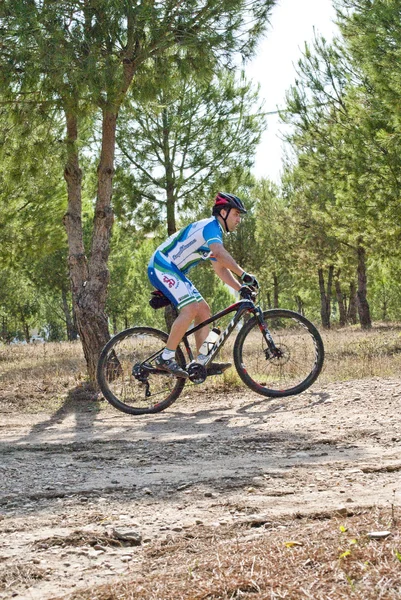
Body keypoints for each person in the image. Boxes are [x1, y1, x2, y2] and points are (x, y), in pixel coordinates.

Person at [147, 192, 258, 377]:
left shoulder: (215, 234)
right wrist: (244, 274)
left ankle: (202, 361)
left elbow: (220, 268)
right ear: (223, 212)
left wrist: (240, 287)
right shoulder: (211, 227)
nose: (239, 219)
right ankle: (165, 358)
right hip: (162, 264)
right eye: (236, 214)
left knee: (204, 310)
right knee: (190, 308)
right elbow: (220, 253)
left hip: (175, 270)